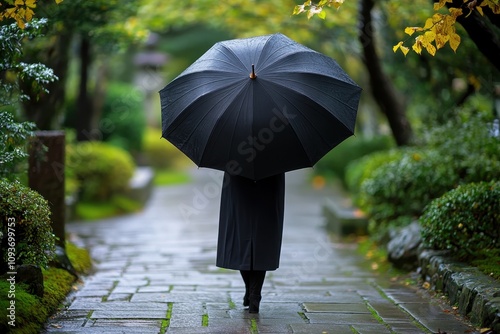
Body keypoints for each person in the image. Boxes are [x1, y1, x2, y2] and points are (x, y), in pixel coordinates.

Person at [216, 171, 285, 313]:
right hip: (269, 173)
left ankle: (251, 290)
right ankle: (254, 293)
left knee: (241, 233)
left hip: (239, 169)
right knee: (263, 237)